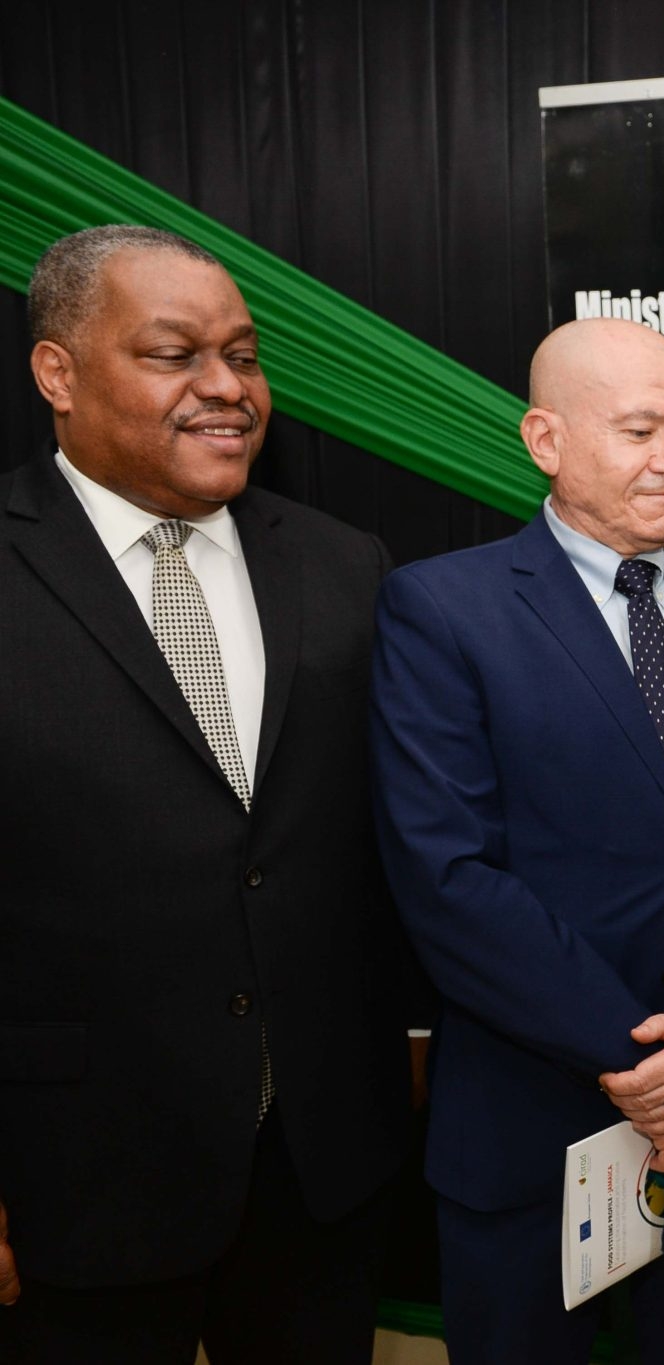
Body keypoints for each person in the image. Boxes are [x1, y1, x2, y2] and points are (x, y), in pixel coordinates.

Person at [370, 317, 664, 1363]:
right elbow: (447, 877)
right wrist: (645, 1061)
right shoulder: (442, 609)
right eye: (639, 431)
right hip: (531, 1132)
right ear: (545, 440)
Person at [0, 226, 412, 1363]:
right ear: (58, 374)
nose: (227, 388)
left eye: (243, 353)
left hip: (320, 1171)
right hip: (74, 1182)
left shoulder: (345, 567)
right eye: (175, 354)